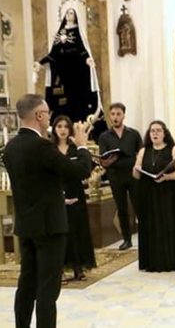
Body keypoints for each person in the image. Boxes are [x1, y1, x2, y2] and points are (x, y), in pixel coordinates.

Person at [4, 94, 92, 328]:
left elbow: (34, 184)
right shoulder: (42, 146)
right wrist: (82, 144)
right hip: (50, 227)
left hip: (26, 225)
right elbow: (79, 171)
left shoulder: (10, 147)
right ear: (39, 115)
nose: (50, 117)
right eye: (48, 113)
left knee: (26, 284)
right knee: (47, 289)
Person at [133, 121, 175, 272]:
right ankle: (152, 261)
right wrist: (136, 169)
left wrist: (167, 177)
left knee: (168, 223)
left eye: (158, 130)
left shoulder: (173, 149)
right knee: (150, 224)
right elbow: (136, 175)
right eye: (152, 131)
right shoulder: (144, 151)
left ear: (164, 133)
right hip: (148, 193)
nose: (155, 133)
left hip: (168, 192)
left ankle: (170, 260)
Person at [33, 8, 100, 124]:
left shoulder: (78, 31)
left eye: (71, 13)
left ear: (75, 16)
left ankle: (78, 122)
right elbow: (53, 54)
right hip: (62, 71)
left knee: (76, 99)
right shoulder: (60, 32)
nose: (69, 15)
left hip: (76, 71)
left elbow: (82, 49)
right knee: (61, 100)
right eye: (67, 13)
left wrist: (88, 59)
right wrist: (40, 62)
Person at [51, 116, 96, 282]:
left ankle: (78, 267)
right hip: (57, 193)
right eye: (59, 126)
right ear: (54, 129)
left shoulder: (76, 148)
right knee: (61, 232)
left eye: (65, 127)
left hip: (75, 192)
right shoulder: (50, 149)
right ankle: (61, 268)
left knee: (77, 230)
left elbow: (85, 169)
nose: (62, 130)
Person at [98, 103, 142, 250]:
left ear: (124, 115)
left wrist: (139, 165)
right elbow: (103, 160)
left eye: (118, 114)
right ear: (109, 116)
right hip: (115, 176)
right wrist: (109, 160)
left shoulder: (133, 134)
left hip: (132, 174)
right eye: (113, 114)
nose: (115, 117)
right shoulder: (104, 136)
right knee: (121, 208)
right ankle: (127, 239)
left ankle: (146, 236)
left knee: (138, 206)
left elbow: (141, 152)